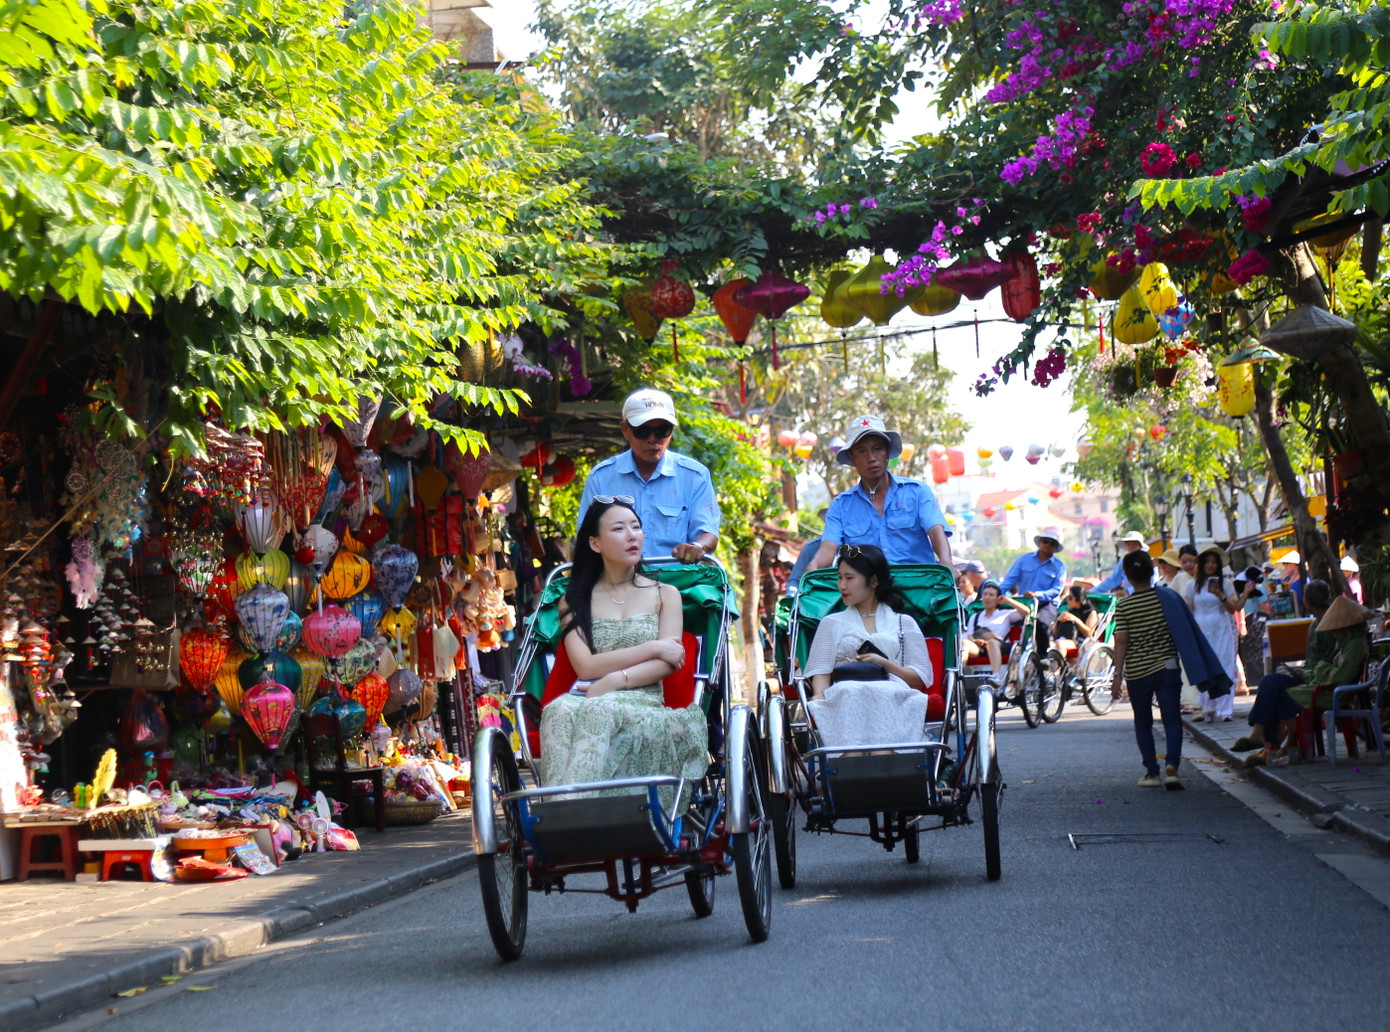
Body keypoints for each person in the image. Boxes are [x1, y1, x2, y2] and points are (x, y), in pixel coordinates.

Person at [539, 499, 708, 807]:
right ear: (595, 543)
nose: (633, 536)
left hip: (644, 703)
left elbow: (669, 663)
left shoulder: (664, 594)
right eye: (619, 529)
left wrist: (618, 679)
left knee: (596, 710)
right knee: (558, 709)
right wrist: (653, 646)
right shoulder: (572, 600)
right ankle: (556, 809)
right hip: (592, 694)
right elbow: (586, 667)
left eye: (636, 527)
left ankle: (573, 808)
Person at [802, 544, 939, 747]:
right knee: (849, 691)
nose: (842, 586)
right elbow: (821, 671)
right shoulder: (830, 623)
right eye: (839, 578)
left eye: (849, 578)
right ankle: (851, 761)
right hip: (845, 694)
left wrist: (884, 664)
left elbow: (918, 681)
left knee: (881, 692)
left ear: (873, 581)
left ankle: (886, 758)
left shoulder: (903, 623)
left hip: (894, 693)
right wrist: (818, 696)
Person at [1231, 584, 1370, 767]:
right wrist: (1310, 671)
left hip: (1327, 690)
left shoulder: (1354, 645)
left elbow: (1338, 675)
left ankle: (1272, 744)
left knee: (1274, 690)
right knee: (1270, 683)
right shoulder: (1347, 643)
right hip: (1316, 680)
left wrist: (1317, 670)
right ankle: (1270, 742)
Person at [578, 388, 720, 563]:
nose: (652, 439)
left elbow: (708, 533)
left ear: (672, 430)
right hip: (618, 582)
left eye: (662, 430)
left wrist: (697, 547)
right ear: (625, 430)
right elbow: (586, 536)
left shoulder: (695, 476)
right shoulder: (601, 477)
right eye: (643, 431)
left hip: (676, 580)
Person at [807, 415, 953, 571]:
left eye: (878, 449)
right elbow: (828, 548)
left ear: (887, 452)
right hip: (867, 591)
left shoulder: (917, 492)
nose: (871, 458)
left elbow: (935, 530)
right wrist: (813, 566)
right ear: (851, 457)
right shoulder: (840, 505)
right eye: (862, 451)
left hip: (918, 587)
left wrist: (946, 561)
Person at [1110, 550, 1185, 789]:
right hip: (1167, 667)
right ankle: (1172, 765)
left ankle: (1153, 773)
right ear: (1152, 572)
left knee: (1143, 721)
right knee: (1172, 718)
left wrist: (1117, 675)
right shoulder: (1167, 598)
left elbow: (1121, 641)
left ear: (1128, 577)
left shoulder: (1125, 606)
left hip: (1138, 672)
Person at [1184, 546, 1255, 722]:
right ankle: (1207, 707)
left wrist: (1220, 595)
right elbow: (1189, 609)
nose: (1211, 565)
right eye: (1207, 562)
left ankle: (1225, 710)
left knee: (1224, 665)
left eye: (1214, 562)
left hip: (1222, 628)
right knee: (1205, 668)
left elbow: (1234, 609)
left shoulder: (1225, 584)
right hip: (1201, 629)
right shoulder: (1192, 585)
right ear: (1202, 564)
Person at [998, 528, 1066, 653]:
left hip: (1047, 604)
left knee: (1040, 622)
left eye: (1052, 543)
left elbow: (1057, 590)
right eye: (1045, 541)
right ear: (1040, 542)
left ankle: (1043, 657)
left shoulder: (1059, 567)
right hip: (1024, 602)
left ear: (1056, 548)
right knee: (1001, 618)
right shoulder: (1024, 559)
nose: (1048, 545)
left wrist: (1037, 595)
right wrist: (996, 594)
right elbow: (1010, 580)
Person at [962, 580, 1027, 683]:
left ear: (998, 599)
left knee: (992, 642)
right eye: (985, 594)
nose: (987, 597)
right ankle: (960, 674)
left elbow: (1026, 612)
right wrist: (975, 641)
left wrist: (1008, 601)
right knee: (964, 643)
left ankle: (996, 677)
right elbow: (969, 635)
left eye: (991, 595)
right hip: (980, 646)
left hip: (999, 645)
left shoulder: (1005, 614)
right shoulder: (975, 616)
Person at [1051, 583, 1100, 672]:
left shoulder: (1091, 613)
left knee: (1060, 644)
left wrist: (1076, 620)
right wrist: (1057, 621)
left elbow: (1089, 633)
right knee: (1048, 645)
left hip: (1079, 641)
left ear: (1079, 600)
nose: (1068, 600)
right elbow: (1054, 633)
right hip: (1061, 639)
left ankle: (1057, 672)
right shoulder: (1068, 611)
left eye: (1070, 598)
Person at [1279, 550, 1305, 616]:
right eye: (1284, 564)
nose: (1285, 567)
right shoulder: (1286, 580)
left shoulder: (1303, 580)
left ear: (1296, 565)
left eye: (1287, 564)